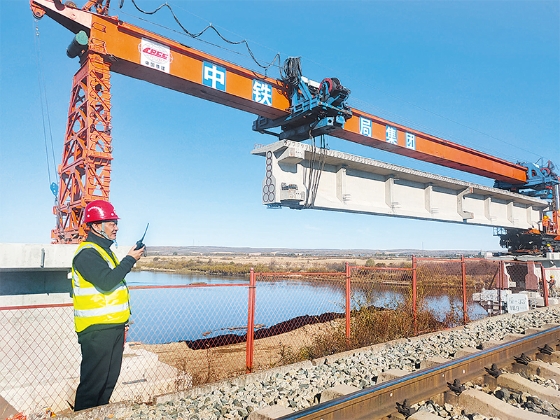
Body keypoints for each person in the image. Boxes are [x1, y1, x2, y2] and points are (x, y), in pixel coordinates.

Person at [71, 200, 145, 411]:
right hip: (96, 330)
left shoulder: (105, 252)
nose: (116, 227)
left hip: (113, 327)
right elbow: (106, 282)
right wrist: (130, 259)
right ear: (96, 226)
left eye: (115, 223)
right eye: (111, 223)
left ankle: (100, 414)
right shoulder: (87, 254)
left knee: (108, 382)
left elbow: (113, 286)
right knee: (93, 384)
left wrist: (124, 322)